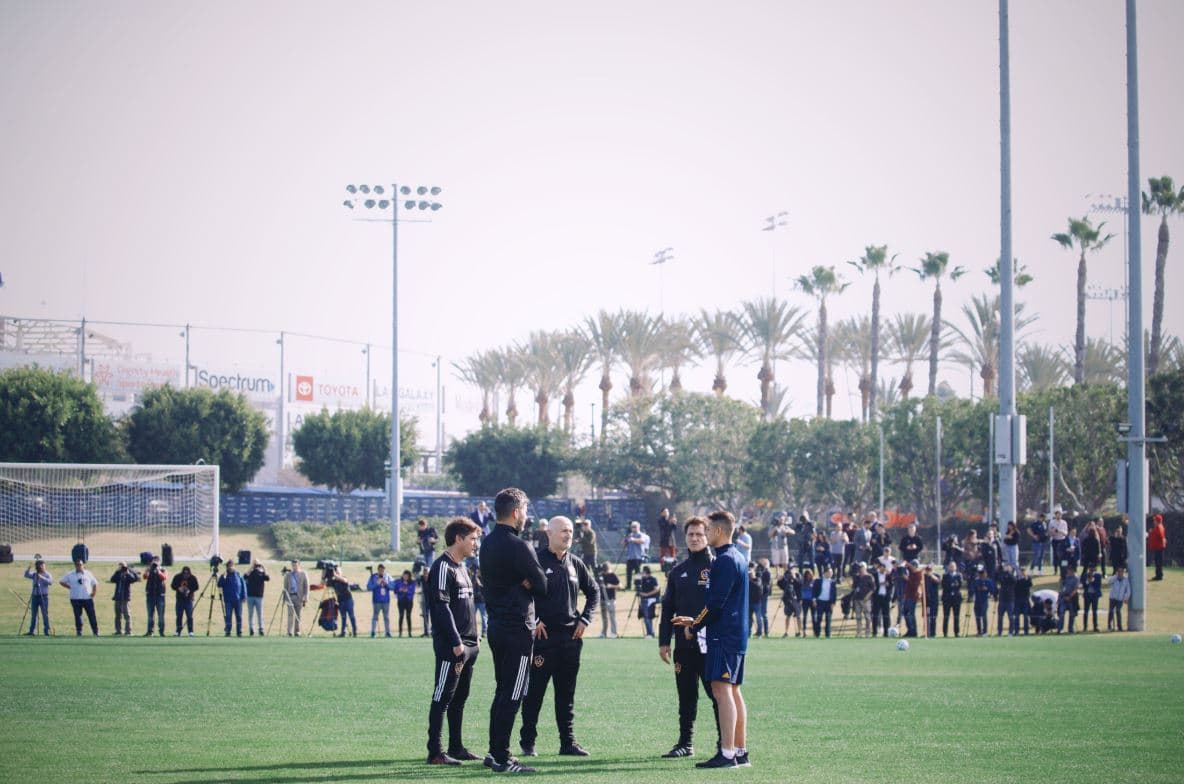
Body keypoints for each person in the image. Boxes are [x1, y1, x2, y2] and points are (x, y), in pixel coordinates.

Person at [673, 511, 751, 769]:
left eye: (706, 530)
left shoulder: (724, 561)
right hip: (735, 635)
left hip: (723, 636)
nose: (704, 534)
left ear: (718, 531)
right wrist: (693, 620)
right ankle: (740, 751)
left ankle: (727, 754)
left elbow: (715, 604)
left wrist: (695, 625)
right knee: (734, 691)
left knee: (722, 691)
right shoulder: (737, 557)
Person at [478, 487, 548, 774]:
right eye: (525, 511)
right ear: (516, 512)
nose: (527, 516)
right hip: (518, 628)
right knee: (514, 693)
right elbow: (542, 585)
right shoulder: (520, 546)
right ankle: (502, 757)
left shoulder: (486, 543)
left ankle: (494, 752)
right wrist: (528, 581)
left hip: (495, 626)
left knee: (503, 690)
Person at [518, 516, 598, 759]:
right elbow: (520, 593)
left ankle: (568, 743)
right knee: (534, 694)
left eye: (570, 531)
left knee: (566, 695)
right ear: (549, 534)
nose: (568, 535)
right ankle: (528, 742)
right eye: (563, 530)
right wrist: (534, 619)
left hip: (570, 640)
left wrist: (585, 619)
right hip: (543, 640)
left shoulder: (576, 563)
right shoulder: (536, 560)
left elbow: (594, 591)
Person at [658, 516, 720, 758]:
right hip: (683, 645)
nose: (694, 538)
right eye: (690, 534)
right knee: (686, 696)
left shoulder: (717, 567)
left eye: (699, 534)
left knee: (717, 696)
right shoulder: (677, 571)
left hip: (711, 645)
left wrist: (696, 624)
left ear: (708, 536)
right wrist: (664, 641)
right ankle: (685, 744)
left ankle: (724, 743)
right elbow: (667, 608)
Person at [426, 518, 483, 766]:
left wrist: (474, 637)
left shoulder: (462, 567)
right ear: (458, 538)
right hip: (453, 645)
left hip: (470, 645)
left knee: (460, 699)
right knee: (443, 696)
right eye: (472, 539)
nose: (475, 544)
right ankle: (435, 752)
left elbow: (467, 607)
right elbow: (441, 607)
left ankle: (456, 747)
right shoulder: (442, 567)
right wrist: (456, 640)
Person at [60, 558, 99, 636]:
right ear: (75, 565)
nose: (79, 566)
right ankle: (79, 631)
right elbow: (61, 581)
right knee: (78, 616)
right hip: (75, 598)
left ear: (83, 565)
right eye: (77, 565)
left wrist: (94, 592)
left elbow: (95, 583)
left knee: (91, 615)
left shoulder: (88, 573)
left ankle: (95, 631)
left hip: (87, 598)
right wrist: (70, 587)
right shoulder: (70, 574)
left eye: (80, 564)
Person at [108, 561, 140, 636]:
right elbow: (112, 579)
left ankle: (128, 631)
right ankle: (118, 630)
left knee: (127, 614)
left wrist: (128, 572)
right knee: (117, 615)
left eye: (123, 566)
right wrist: (117, 571)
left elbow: (133, 579)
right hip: (117, 597)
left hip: (125, 597)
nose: (122, 567)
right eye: (121, 566)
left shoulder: (128, 573)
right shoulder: (118, 573)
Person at [23, 559, 53, 636]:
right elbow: (26, 575)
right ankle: (32, 631)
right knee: (34, 615)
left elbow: (50, 582)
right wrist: (29, 567)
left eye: (43, 566)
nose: (42, 567)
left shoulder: (47, 574)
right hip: (35, 596)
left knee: (45, 614)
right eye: (40, 566)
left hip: (44, 597)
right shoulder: (34, 574)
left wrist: (42, 577)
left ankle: (46, 631)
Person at [217, 561, 247, 637]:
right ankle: (228, 631)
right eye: (229, 566)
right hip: (228, 600)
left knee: (239, 616)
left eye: (231, 566)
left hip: (238, 599)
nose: (230, 567)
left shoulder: (238, 574)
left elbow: (243, 586)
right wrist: (223, 577)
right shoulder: (224, 575)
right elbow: (219, 585)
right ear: (227, 567)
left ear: (234, 566)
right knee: (228, 616)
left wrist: (244, 596)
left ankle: (239, 632)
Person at [142, 556, 168, 637]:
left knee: (161, 615)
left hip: (160, 595)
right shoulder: (149, 569)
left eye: (157, 561)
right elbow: (145, 577)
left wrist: (158, 571)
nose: (155, 562)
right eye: (154, 561)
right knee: (150, 615)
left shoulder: (163, 569)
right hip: (150, 595)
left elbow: (164, 577)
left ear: (160, 562)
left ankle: (161, 632)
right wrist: (148, 570)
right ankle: (150, 631)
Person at [367, 563, 395, 638]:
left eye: (383, 570)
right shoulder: (373, 577)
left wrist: (386, 584)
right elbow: (369, 587)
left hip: (386, 601)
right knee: (375, 617)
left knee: (386, 617)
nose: (381, 571)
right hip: (376, 600)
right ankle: (373, 632)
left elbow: (393, 587)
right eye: (380, 570)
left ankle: (387, 632)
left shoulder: (388, 576)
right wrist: (377, 583)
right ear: (378, 570)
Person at [283, 559, 310, 636]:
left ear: (299, 565)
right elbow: (285, 586)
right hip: (290, 596)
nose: (294, 567)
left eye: (295, 565)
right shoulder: (288, 575)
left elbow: (306, 586)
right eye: (293, 565)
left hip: (299, 597)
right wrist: (285, 598)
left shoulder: (303, 574)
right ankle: (289, 631)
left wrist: (306, 597)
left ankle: (297, 631)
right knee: (290, 614)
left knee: (298, 614)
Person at [328, 566, 357, 637]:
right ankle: (343, 632)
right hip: (341, 601)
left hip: (348, 600)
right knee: (343, 617)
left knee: (351, 616)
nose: (336, 572)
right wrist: (326, 575)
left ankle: (355, 631)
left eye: (338, 571)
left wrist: (335, 575)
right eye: (335, 571)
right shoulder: (334, 581)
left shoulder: (344, 578)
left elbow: (344, 580)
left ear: (341, 572)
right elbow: (325, 583)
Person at [171, 565, 200, 636]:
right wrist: (178, 588)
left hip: (189, 599)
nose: (186, 575)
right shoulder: (177, 577)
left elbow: (196, 587)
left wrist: (190, 590)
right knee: (179, 616)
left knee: (189, 616)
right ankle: (178, 631)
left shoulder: (193, 578)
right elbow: (173, 585)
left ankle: (190, 631)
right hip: (179, 599)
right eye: (184, 573)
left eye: (187, 573)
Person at [244, 560, 270, 636]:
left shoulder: (261, 573)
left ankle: (261, 629)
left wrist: (263, 568)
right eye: (255, 565)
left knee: (260, 614)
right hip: (250, 596)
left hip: (259, 596)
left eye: (257, 565)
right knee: (251, 614)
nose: (256, 566)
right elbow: (244, 576)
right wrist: (251, 567)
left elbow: (268, 578)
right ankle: (251, 629)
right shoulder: (250, 572)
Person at [777, 567, 803, 638]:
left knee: (798, 616)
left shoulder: (798, 576)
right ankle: (786, 632)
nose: (790, 574)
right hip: (787, 600)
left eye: (792, 572)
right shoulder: (787, 580)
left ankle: (799, 632)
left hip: (796, 600)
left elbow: (800, 584)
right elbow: (781, 586)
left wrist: (794, 577)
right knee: (788, 616)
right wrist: (780, 580)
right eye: (790, 573)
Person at [970, 564, 995, 637]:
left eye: (982, 573)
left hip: (984, 601)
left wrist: (986, 589)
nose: (981, 574)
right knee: (977, 616)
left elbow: (992, 591)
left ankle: (985, 631)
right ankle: (979, 631)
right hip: (977, 600)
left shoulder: (988, 581)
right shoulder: (976, 581)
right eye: (980, 573)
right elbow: (972, 589)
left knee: (984, 616)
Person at [624, 521, 650, 590]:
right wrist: (626, 540)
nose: (633, 528)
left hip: (638, 556)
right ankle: (628, 586)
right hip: (630, 557)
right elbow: (624, 543)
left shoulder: (641, 535)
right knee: (628, 572)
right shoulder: (630, 535)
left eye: (635, 527)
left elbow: (642, 541)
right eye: (632, 527)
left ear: (638, 527)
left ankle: (637, 585)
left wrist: (633, 539)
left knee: (637, 572)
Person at [851, 562, 875, 638]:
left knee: (867, 617)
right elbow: (854, 587)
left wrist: (867, 597)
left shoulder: (869, 577)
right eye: (859, 567)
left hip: (866, 600)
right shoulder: (856, 577)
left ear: (865, 568)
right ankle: (859, 633)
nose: (860, 569)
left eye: (861, 567)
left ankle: (867, 633)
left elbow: (873, 588)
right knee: (858, 617)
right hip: (857, 599)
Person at [812, 566, 837, 638]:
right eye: (829, 572)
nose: (831, 574)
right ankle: (817, 634)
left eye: (831, 572)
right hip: (820, 602)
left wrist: (833, 603)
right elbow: (814, 591)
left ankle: (827, 634)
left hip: (828, 603)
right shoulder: (818, 581)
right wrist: (814, 600)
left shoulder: (833, 582)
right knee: (818, 619)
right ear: (825, 573)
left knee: (828, 619)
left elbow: (834, 593)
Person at [597, 562, 620, 638]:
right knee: (604, 617)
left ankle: (614, 633)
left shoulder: (613, 575)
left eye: (606, 570)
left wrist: (611, 586)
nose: (605, 572)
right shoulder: (600, 576)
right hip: (602, 599)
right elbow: (596, 585)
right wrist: (600, 585)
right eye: (604, 570)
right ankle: (604, 633)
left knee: (612, 616)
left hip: (611, 599)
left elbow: (620, 585)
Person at [637, 565, 661, 638]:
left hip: (650, 600)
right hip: (643, 600)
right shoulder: (642, 579)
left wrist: (647, 594)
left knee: (648, 617)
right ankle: (650, 633)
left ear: (645, 571)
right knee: (646, 617)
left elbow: (657, 589)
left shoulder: (653, 579)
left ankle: (650, 633)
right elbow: (639, 588)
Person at [941, 561, 963, 637]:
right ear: (948, 567)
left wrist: (953, 585)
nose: (952, 568)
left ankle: (956, 632)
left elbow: (959, 585)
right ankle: (945, 633)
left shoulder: (959, 575)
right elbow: (944, 585)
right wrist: (952, 585)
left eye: (953, 566)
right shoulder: (945, 576)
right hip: (947, 598)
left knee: (956, 616)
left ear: (956, 567)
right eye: (950, 566)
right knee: (946, 616)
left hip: (956, 598)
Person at [901, 560, 923, 638]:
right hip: (907, 596)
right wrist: (904, 564)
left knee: (911, 614)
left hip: (913, 596)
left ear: (916, 566)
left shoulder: (918, 574)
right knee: (905, 612)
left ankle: (914, 631)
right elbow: (905, 564)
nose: (911, 567)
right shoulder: (911, 572)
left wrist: (907, 579)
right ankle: (909, 630)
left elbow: (915, 585)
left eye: (913, 566)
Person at [1058, 565, 1081, 634]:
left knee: (1072, 614)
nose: (1068, 571)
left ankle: (1070, 629)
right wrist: (1061, 580)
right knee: (1061, 613)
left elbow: (1075, 589)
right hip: (1063, 597)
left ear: (1073, 571)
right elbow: (1062, 587)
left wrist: (1069, 597)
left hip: (1072, 598)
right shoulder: (1066, 577)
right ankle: (1060, 629)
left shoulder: (1076, 578)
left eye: (1069, 570)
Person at [995, 564, 1016, 637]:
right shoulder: (1002, 575)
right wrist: (999, 570)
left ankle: (1011, 632)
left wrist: (1008, 572)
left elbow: (1014, 580)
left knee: (1011, 617)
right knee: (1000, 617)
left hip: (1010, 600)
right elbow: (997, 578)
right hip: (1002, 599)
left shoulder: (1012, 576)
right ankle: (999, 632)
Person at [872, 561, 893, 636]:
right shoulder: (875, 575)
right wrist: (880, 584)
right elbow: (872, 585)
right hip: (877, 597)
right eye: (881, 568)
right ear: (879, 568)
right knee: (875, 615)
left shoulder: (888, 576)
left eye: (884, 568)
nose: (883, 570)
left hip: (885, 597)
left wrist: (888, 585)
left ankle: (886, 632)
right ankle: (874, 632)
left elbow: (891, 586)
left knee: (886, 615)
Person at [1108, 566, 1131, 631]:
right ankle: (1109, 626)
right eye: (1119, 571)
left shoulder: (1126, 580)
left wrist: (1126, 598)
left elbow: (1128, 590)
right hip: (1112, 598)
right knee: (1111, 611)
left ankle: (1119, 626)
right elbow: (1109, 581)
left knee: (1118, 611)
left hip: (1120, 599)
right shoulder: (1114, 579)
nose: (1120, 573)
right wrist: (1115, 576)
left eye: (1121, 571)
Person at [394, 569, 417, 636]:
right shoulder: (398, 582)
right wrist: (400, 590)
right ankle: (400, 632)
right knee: (401, 616)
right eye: (404, 575)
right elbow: (395, 591)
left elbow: (412, 591)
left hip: (409, 601)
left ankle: (409, 632)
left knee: (408, 616)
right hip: (401, 601)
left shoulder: (412, 582)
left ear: (409, 576)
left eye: (407, 576)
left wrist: (407, 590)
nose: (405, 577)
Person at [1081, 564, 1103, 632]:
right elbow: (1084, 585)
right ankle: (1085, 627)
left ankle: (1095, 626)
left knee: (1094, 611)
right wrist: (1088, 581)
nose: (1091, 571)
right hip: (1087, 595)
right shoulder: (1085, 575)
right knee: (1086, 611)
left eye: (1092, 569)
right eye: (1090, 569)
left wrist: (1093, 581)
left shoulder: (1098, 576)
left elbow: (1098, 585)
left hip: (1094, 596)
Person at [1014, 566, 1033, 635]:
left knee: (1026, 616)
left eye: (1023, 570)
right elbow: (1014, 586)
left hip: (1025, 599)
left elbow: (1030, 584)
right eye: (1021, 570)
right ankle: (1016, 631)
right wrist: (1018, 579)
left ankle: (1026, 631)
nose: (1022, 572)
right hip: (1017, 599)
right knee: (1016, 616)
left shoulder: (1028, 578)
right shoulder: (1016, 578)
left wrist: (1026, 578)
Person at [1148, 514, 1167, 580]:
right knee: (1158, 562)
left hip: (1159, 547)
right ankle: (1159, 575)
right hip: (1159, 547)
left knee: (1158, 562)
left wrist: (1151, 532)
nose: (1154, 521)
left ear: (1157, 520)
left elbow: (1159, 536)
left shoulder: (1158, 527)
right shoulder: (1159, 526)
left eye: (1155, 520)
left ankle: (1159, 576)